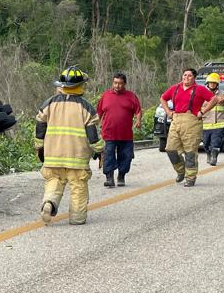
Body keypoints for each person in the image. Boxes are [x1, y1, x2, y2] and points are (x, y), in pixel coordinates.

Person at [35, 67, 103, 225]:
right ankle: (77, 218)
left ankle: (49, 203)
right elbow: (92, 135)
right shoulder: (85, 107)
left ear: (62, 85)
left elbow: (40, 124)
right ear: (81, 86)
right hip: (77, 158)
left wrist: (39, 146)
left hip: (53, 155)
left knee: (54, 181)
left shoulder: (49, 103)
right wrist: (99, 149)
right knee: (78, 187)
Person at [160, 68, 214, 187]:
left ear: (194, 78)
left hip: (192, 122)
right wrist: (168, 112)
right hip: (176, 120)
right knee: (170, 149)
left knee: (190, 152)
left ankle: (190, 177)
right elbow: (163, 98)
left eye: (189, 76)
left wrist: (203, 111)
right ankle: (181, 171)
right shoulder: (175, 88)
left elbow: (213, 99)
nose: (186, 77)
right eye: (185, 75)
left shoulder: (199, 89)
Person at [96, 72, 143, 187]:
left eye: (120, 83)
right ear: (112, 83)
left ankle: (121, 176)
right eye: (115, 83)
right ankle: (109, 178)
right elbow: (99, 112)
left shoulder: (131, 96)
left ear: (125, 84)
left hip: (125, 134)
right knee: (108, 155)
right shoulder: (106, 95)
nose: (117, 86)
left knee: (126, 156)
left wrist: (138, 121)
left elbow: (138, 110)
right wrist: (95, 125)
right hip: (109, 133)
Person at [199, 72, 224, 166]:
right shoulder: (202, 93)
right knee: (206, 143)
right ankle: (208, 154)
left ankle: (214, 157)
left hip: (219, 124)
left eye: (214, 83)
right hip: (205, 123)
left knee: (216, 142)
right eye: (211, 83)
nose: (212, 84)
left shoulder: (222, 93)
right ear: (207, 83)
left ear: (217, 84)